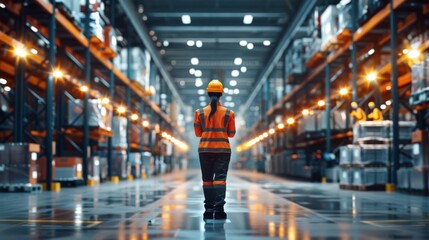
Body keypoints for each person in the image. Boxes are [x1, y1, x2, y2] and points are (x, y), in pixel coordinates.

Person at [194, 80, 236, 220]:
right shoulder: (229, 113)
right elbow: (231, 134)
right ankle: (219, 210)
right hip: (223, 151)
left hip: (205, 150)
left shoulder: (199, 113)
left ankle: (208, 209)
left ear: (208, 94)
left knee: (207, 180)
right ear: (221, 95)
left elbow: (198, 133)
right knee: (220, 180)